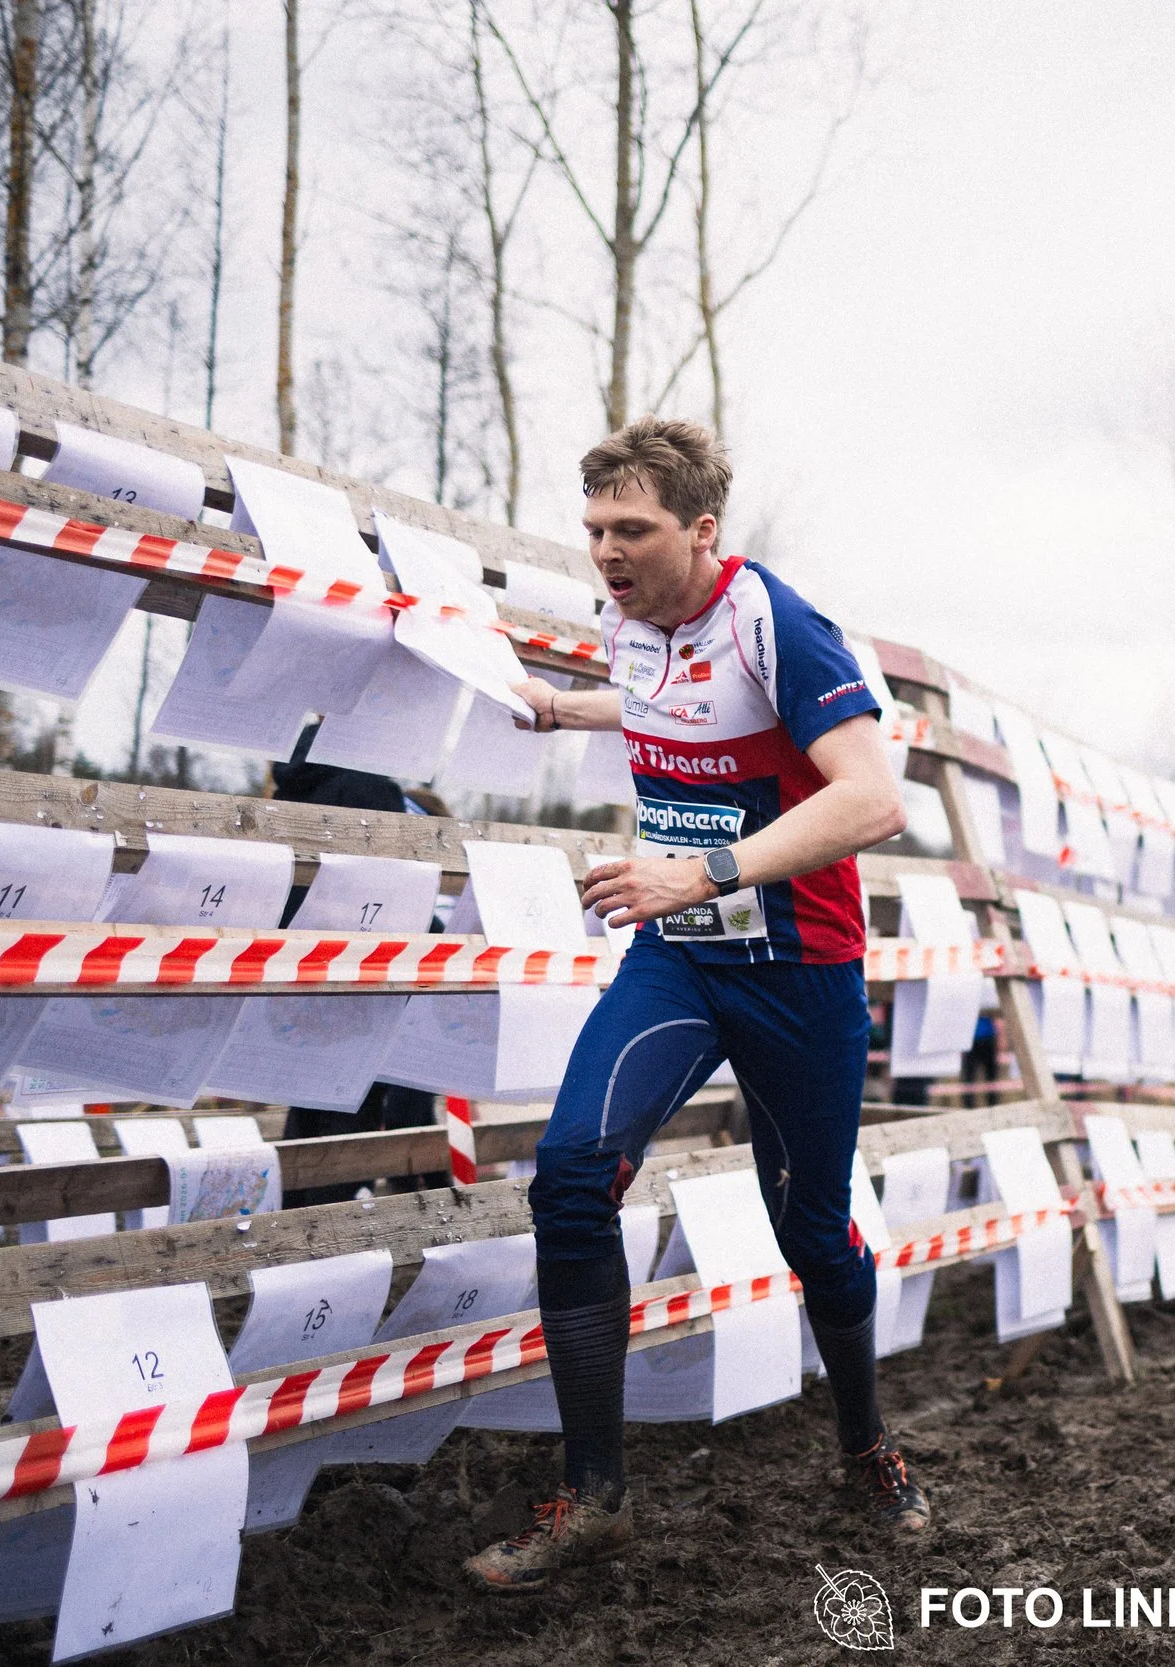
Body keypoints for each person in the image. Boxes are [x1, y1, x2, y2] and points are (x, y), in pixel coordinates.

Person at [464, 419, 919, 1596]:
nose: (606, 552)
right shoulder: (626, 622)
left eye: (634, 530)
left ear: (701, 530)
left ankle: (867, 1445)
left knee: (810, 1230)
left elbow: (874, 799)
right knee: (570, 1178)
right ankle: (596, 1496)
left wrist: (703, 869)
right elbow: (663, 699)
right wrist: (564, 709)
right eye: (596, 530)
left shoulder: (777, 621)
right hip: (679, 958)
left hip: (798, 968)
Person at [269, 724, 444, 1206]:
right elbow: (393, 880)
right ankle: (329, 1243)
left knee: (306, 1113)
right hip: (367, 968)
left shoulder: (292, 793)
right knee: (353, 1126)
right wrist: (434, 936)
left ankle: (293, 1227)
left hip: (300, 962)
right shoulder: (374, 793)